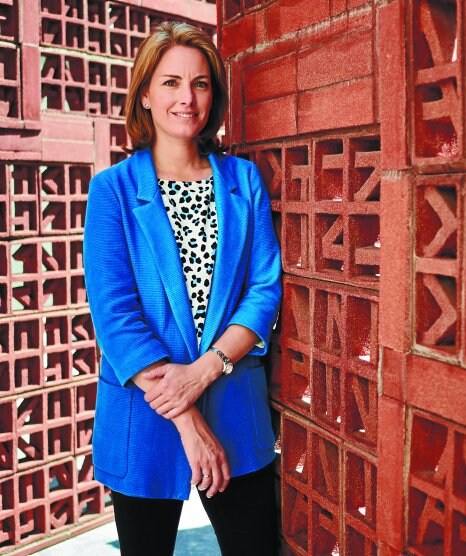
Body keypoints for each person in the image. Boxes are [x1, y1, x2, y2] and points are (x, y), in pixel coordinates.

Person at [83, 21, 282, 556]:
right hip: (146, 415)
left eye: (200, 83)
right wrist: (187, 414)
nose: (186, 98)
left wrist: (205, 370)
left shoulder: (242, 181)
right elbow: (116, 316)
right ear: (145, 94)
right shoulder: (113, 191)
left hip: (235, 405)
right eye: (170, 82)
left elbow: (263, 290)